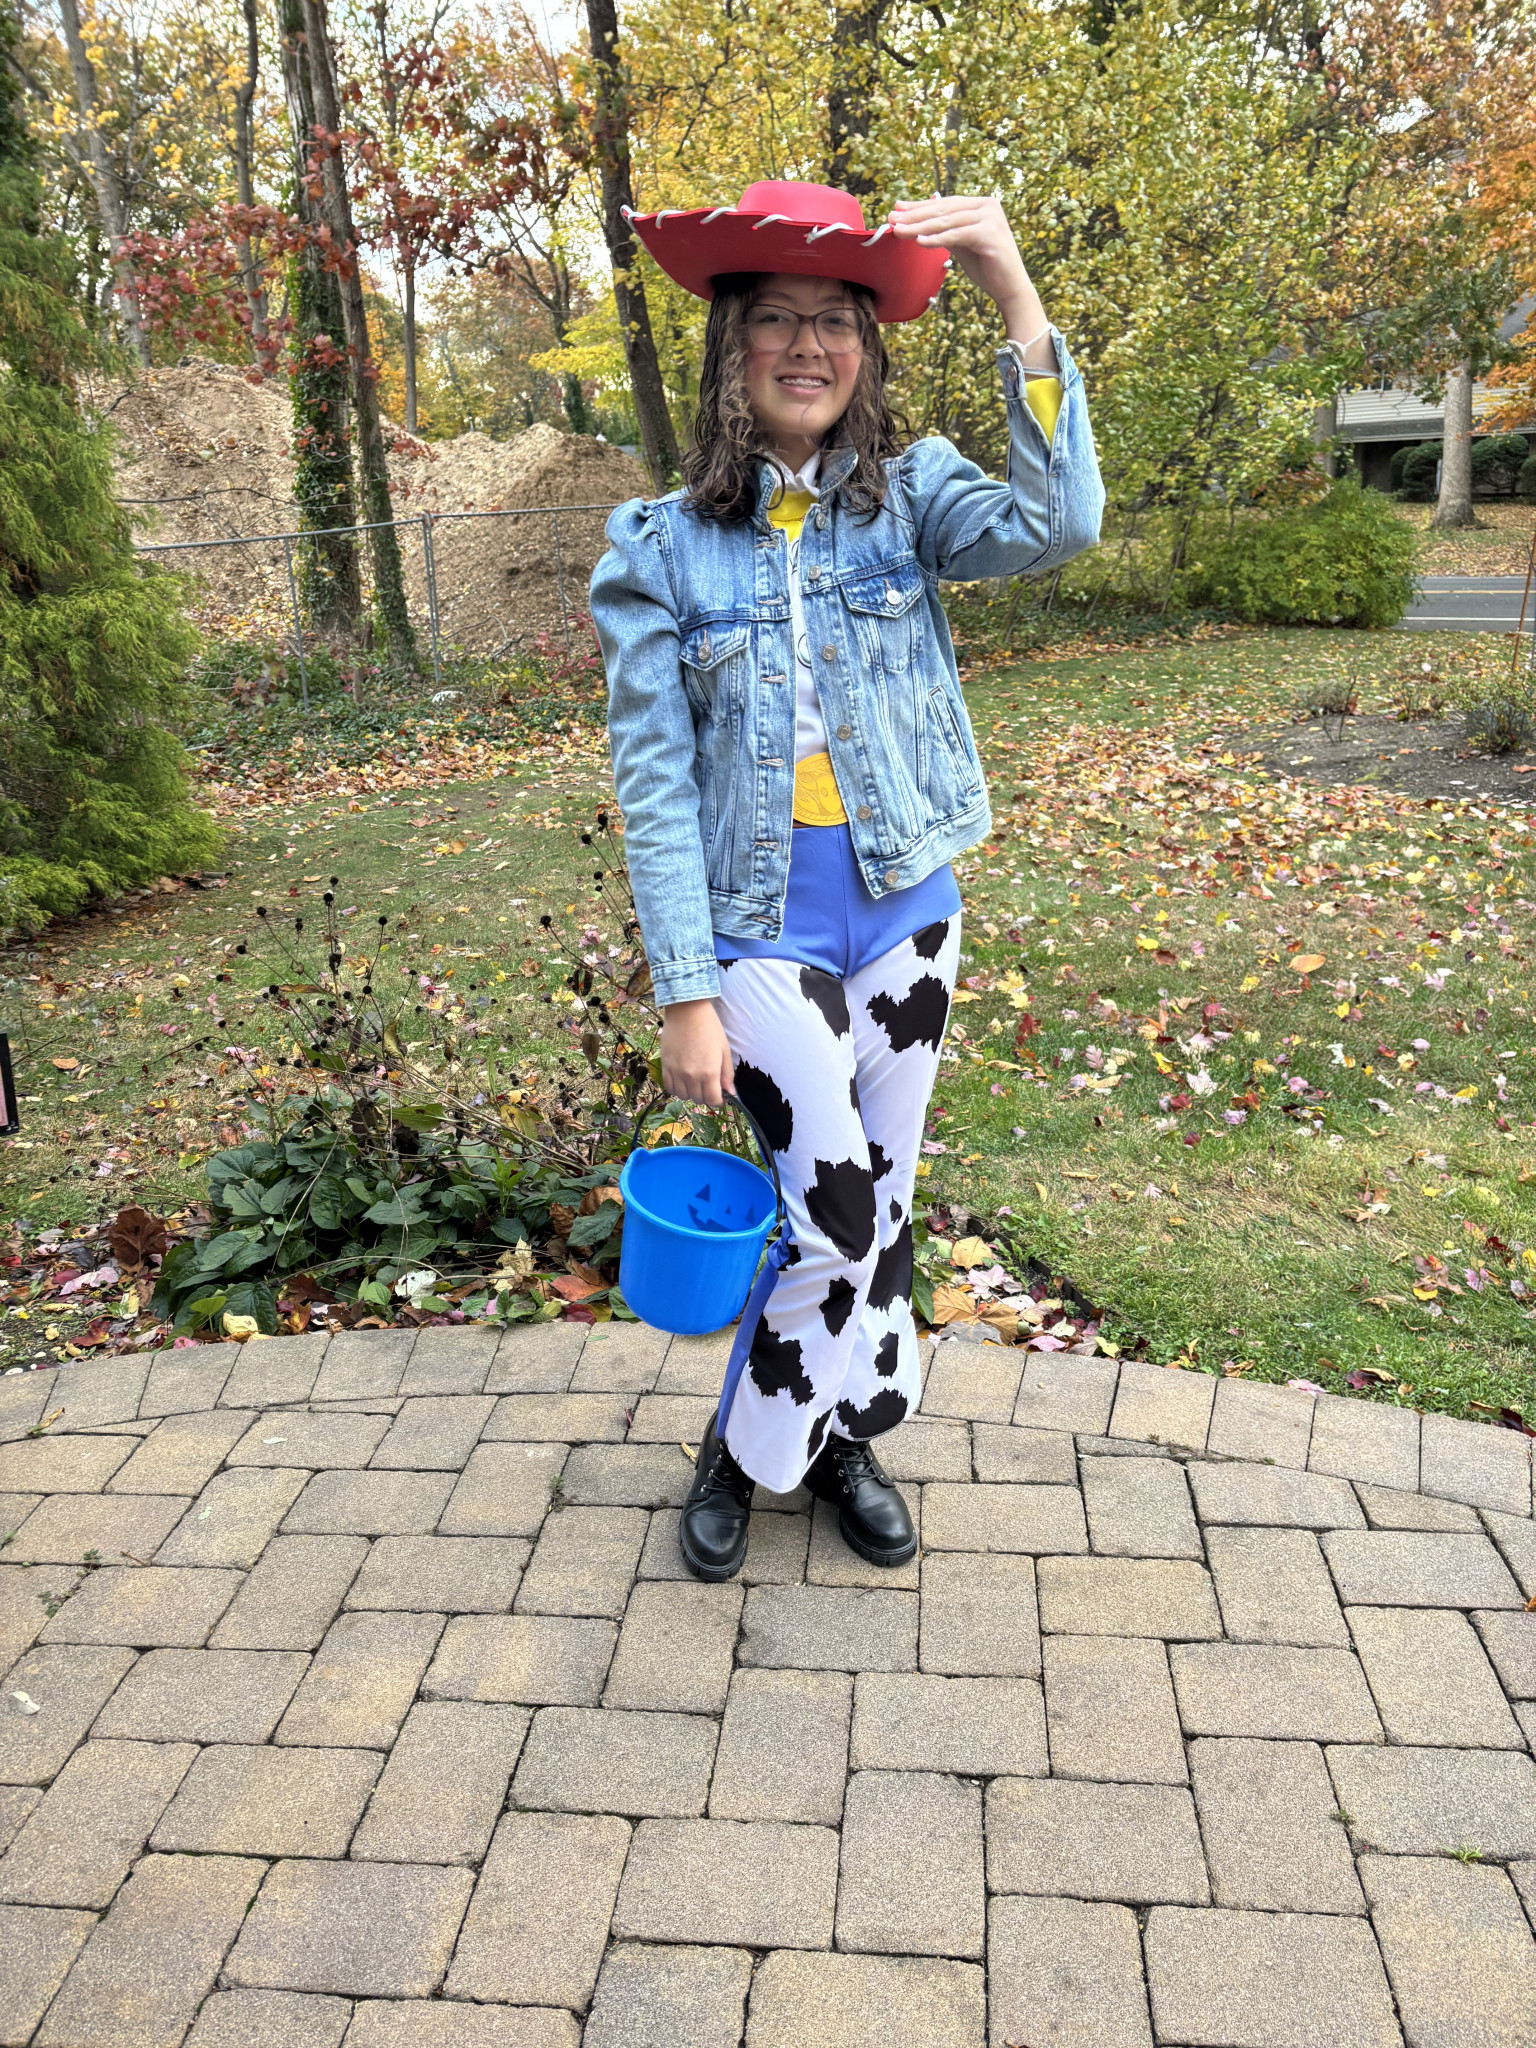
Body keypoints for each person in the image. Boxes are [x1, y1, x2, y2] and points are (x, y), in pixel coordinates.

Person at [590, 179, 1103, 1580]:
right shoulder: (658, 549)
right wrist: (684, 992)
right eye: (776, 319)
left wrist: (1011, 285)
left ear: (866, 351)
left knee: (883, 1199)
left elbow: (1062, 522)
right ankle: (745, 1450)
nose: (807, 345)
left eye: (835, 320)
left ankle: (828, 1444)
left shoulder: (911, 498)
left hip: (906, 913)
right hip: (760, 928)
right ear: (731, 347)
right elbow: (654, 786)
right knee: (833, 1212)